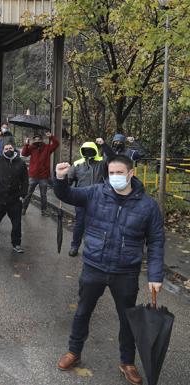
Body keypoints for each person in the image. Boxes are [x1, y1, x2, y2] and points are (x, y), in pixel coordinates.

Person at [54, 156, 164, 385]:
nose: (114, 177)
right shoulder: (95, 193)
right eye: (111, 173)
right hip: (94, 265)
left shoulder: (148, 206)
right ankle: (74, 352)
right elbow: (67, 195)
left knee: (127, 319)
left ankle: (127, 361)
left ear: (131, 173)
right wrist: (61, 178)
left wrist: (155, 275)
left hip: (126, 272)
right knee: (82, 312)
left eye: (119, 173)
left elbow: (156, 241)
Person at [0, 135, 29, 253]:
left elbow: (25, 180)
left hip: (14, 199)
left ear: (14, 149)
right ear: (2, 150)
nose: (8, 150)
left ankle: (16, 244)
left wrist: (22, 195)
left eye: (10, 148)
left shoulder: (21, 163)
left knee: (16, 224)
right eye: (6, 149)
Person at [67, 142, 107, 257]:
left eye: (90, 149)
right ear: (82, 151)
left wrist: (104, 145)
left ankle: (97, 248)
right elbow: (69, 180)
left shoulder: (102, 162)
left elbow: (113, 161)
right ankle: (74, 246)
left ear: (95, 150)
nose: (88, 152)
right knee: (79, 224)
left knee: (98, 225)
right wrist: (64, 182)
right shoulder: (77, 164)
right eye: (85, 150)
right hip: (81, 199)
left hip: (98, 199)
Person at [21, 131, 60, 216]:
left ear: (42, 140)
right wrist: (26, 144)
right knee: (28, 194)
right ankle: (23, 209)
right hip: (33, 176)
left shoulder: (47, 148)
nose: (37, 140)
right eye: (35, 139)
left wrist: (51, 137)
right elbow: (24, 153)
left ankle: (44, 210)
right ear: (33, 140)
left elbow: (56, 144)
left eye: (39, 139)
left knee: (43, 195)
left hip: (43, 176)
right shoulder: (31, 148)